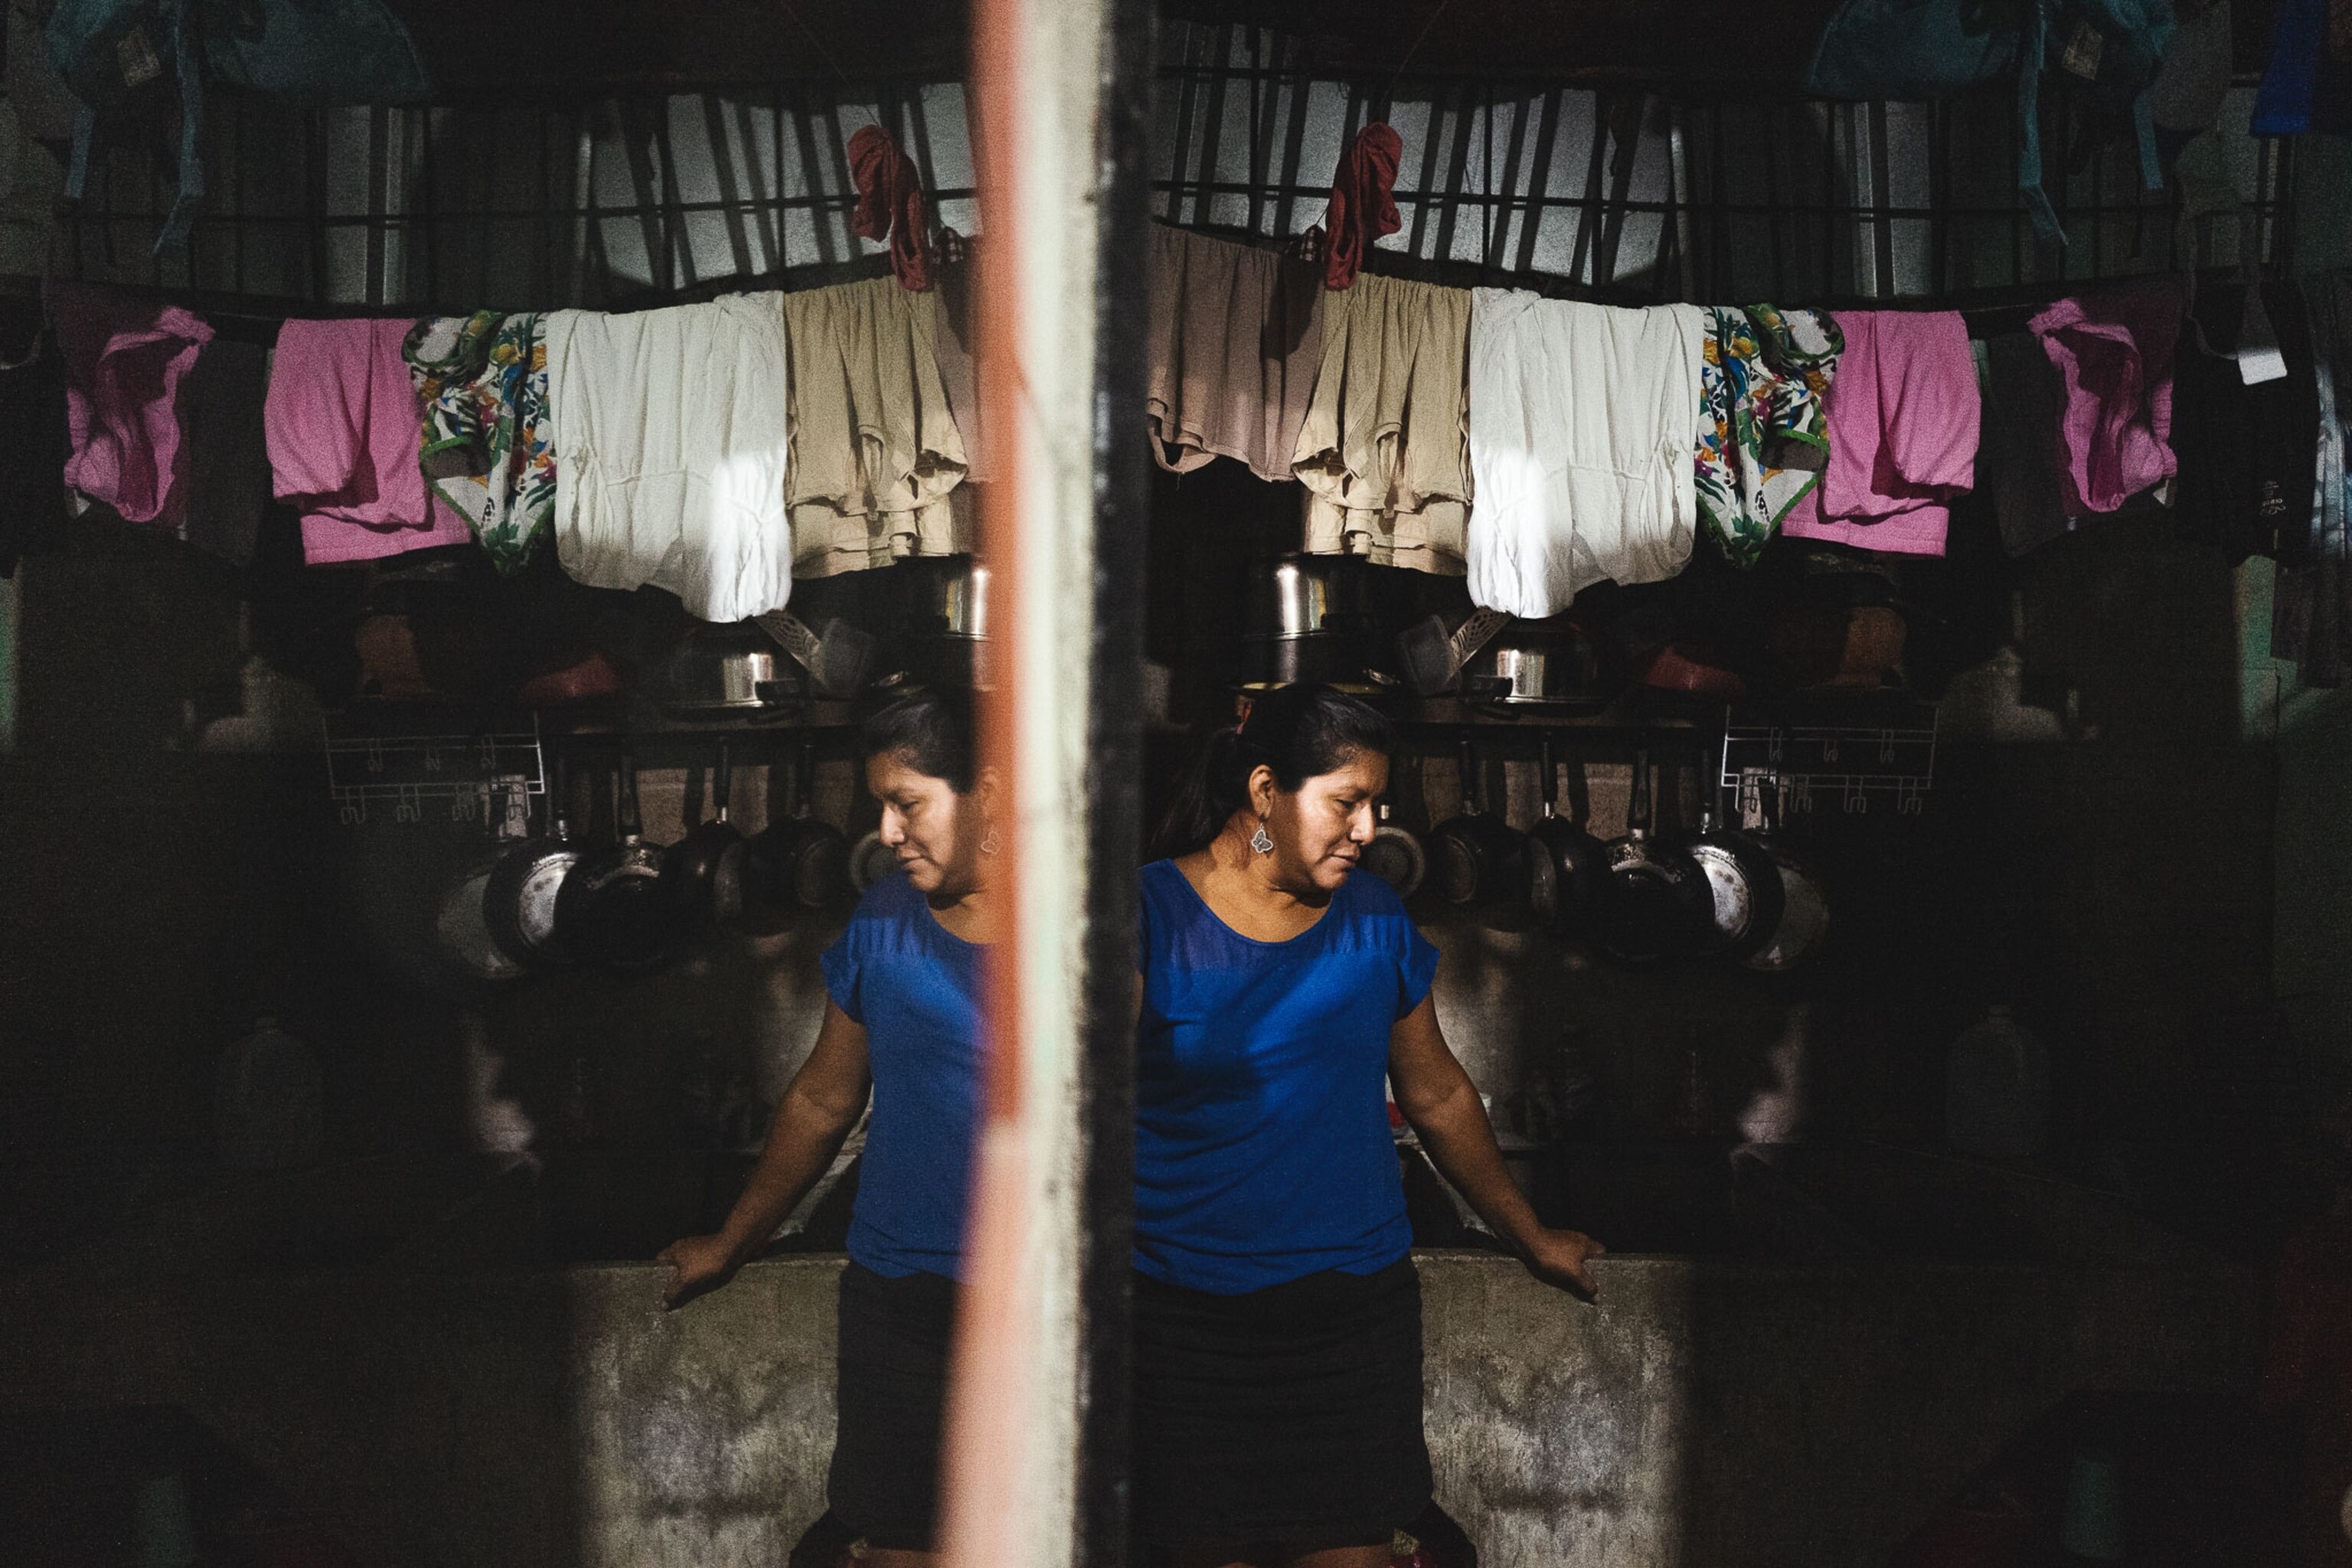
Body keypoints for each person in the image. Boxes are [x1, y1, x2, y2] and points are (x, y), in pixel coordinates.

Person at [1132, 683, 1603, 1568]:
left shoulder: (1374, 918)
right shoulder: (1147, 915)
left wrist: (1528, 1233)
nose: (1367, 828)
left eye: (1375, 805)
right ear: (1266, 789)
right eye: (1347, 801)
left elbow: (1437, 1095)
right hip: (1182, 1320)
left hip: (1350, 1317)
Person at [658, 688, 1000, 1567]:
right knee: (899, 1540)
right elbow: (822, 1099)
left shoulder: (1101, 928)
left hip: (1055, 1297)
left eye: (908, 803)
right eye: (881, 806)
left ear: (990, 791)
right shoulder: (884, 923)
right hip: (906, 1296)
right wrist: (733, 1239)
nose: (887, 832)